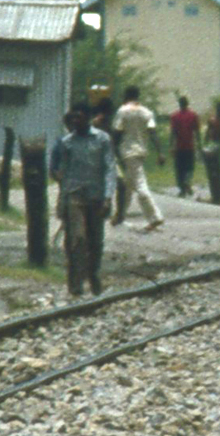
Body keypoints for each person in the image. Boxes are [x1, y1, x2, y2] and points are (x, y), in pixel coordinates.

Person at [47, 104, 118, 296]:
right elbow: (61, 172)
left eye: (79, 117)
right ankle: (75, 282)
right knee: (76, 239)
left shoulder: (102, 139)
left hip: (96, 196)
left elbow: (109, 169)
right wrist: (62, 200)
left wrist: (108, 197)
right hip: (74, 196)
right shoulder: (67, 142)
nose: (75, 121)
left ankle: (93, 275)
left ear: (88, 118)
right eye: (73, 118)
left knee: (95, 241)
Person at [111, 87, 164, 231]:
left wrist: (111, 150)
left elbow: (117, 132)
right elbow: (153, 133)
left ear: (126, 95)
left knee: (140, 185)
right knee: (128, 185)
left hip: (128, 151)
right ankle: (120, 216)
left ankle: (155, 217)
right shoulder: (146, 112)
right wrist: (160, 152)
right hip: (141, 151)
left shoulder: (122, 111)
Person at [168, 95, 201, 198]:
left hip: (179, 146)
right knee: (190, 167)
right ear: (187, 104)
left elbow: (173, 132)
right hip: (190, 146)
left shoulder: (174, 116)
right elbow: (197, 131)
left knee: (179, 168)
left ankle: (182, 188)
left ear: (179, 104)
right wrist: (199, 144)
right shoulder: (193, 115)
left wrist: (171, 145)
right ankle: (187, 182)